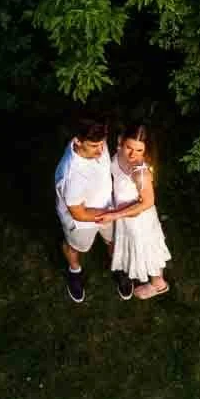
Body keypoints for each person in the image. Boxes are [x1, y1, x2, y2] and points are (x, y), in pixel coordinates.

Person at [53, 114, 131, 303]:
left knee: (114, 241)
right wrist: (113, 214)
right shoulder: (71, 175)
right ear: (77, 141)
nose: (100, 150)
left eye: (102, 143)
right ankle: (74, 270)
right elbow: (78, 212)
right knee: (75, 246)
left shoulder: (98, 144)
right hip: (80, 222)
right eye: (94, 146)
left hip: (108, 208)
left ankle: (118, 267)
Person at [96, 122, 171, 299]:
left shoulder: (141, 172)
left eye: (139, 150)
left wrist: (114, 215)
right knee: (135, 250)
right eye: (129, 147)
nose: (133, 155)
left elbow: (147, 203)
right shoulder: (117, 153)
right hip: (124, 216)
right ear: (121, 141)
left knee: (147, 252)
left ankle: (158, 285)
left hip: (139, 221)